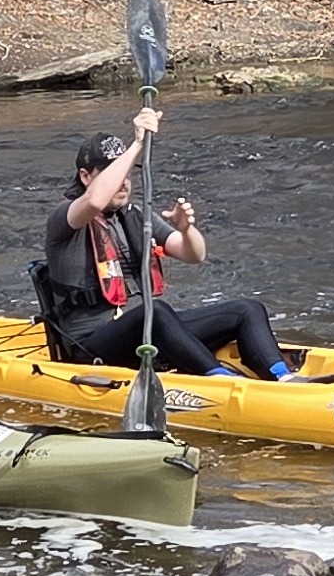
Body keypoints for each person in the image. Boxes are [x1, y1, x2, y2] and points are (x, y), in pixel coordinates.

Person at [37, 108, 304, 380]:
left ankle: (281, 376)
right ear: (85, 177)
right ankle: (220, 380)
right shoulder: (66, 217)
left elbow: (194, 254)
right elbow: (94, 200)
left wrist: (186, 230)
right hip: (91, 345)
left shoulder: (134, 216)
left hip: (150, 332)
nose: (123, 183)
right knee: (155, 313)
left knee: (247, 309)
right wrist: (139, 143)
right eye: (115, 174)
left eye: (128, 174)